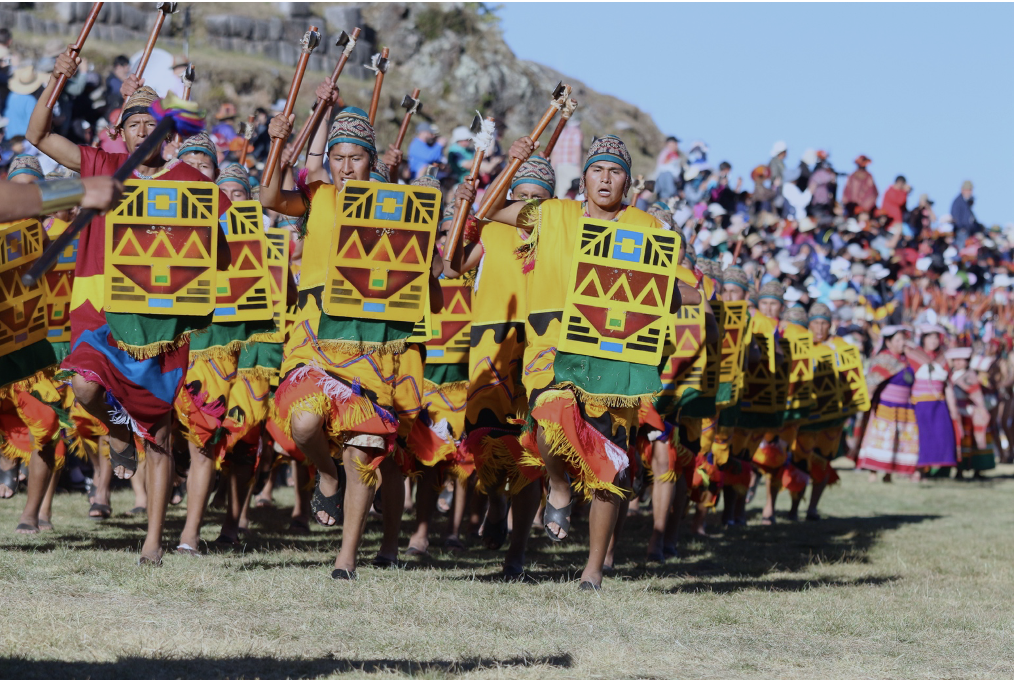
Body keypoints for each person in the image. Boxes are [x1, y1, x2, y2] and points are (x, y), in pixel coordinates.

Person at [458, 134, 701, 590]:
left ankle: (592, 570)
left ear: (627, 180)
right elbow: (489, 209)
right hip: (553, 345)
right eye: (597, 170)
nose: (605, 179)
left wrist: (652, 294)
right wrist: (511, 164)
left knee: (610, 461)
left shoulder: (648, 227)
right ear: (584, 177)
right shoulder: (553, 214)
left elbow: (682, 292)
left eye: (615, 171)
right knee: (550, 418)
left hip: (618, 353)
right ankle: (559, 484)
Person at [26, 51, 234, 565]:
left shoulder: (191, 180)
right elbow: (39, 135)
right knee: (84, 386)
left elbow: (221, 255)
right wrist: (57, 80)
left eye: (151, 125)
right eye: (134, 124)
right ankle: (119, 431)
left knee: (160, 433)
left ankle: (153, 542)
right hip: (101, 305)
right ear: (120, 134)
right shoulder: (102, 165)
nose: (143, 132)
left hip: (162, 317)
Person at [260, 98, 404, 580]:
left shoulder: (395, 209)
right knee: (304, 423)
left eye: (355, 157)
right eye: (338, 157)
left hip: (369, 339)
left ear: (371, 161)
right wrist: (279, 145)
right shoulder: (317, 195)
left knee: (362, 449)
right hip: (315, 336)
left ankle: (347, 558)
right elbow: (269, 198)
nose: (345, 166)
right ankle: (325, 473)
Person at [444, 156, 558, 579]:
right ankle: (494, 503)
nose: (528, 205)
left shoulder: (559, 235)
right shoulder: (492, 230)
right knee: (486, 444)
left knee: (529, 453)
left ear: (552, 203)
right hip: (490, 347)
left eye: (537, 199)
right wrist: (462, 213)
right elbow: (452, 267)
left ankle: (517, 555)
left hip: (539, 348)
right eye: (521, 196)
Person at [855, 326, 927, 481]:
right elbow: (872, 382)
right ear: (888, 342)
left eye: (903, 340)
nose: (902, 343)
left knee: (898, 439)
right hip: (885, 406)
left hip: (905, 407)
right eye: (898, 340)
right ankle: (873, 472)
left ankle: (889, 474)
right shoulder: (883, 359)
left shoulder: (907, 360)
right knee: (881, 438)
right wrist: (868, 398)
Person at [4, 63, 47, 138]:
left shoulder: (11, 95)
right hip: (24, 136)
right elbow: (34, 122)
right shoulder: (30, 100)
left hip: (9, 135)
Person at [950, 180, 976, 248]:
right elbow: (955, 217)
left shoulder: (966, 202)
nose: (970, 192)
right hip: (961, 232)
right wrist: (962, 228)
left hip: (967, 231)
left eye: (970, 190)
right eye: (968, 190)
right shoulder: (958, 201)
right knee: (961, 249)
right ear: (962, 190)